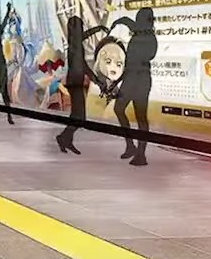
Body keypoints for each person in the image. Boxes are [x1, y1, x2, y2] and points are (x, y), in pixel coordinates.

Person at [108, 8, 157, 166]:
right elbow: (126, 21)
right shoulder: (141, 35)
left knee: (140, 116)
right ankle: (131, 146)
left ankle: (140, 153)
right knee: (120, 109)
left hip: (139, 80)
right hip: (133, 79)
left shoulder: (147, 37)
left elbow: (144, 57)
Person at [55, 15, 108, 155]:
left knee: (76, 116)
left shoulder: (74, 42)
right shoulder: (76, 45)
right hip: (75, 83)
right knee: (80, 117)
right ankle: (63, 138)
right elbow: (84, 67)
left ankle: (66, 140)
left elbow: (84, 36)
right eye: (81, 26)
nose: (82, 29)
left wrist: (98, 28)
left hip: (74, 82)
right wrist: (97, 81)